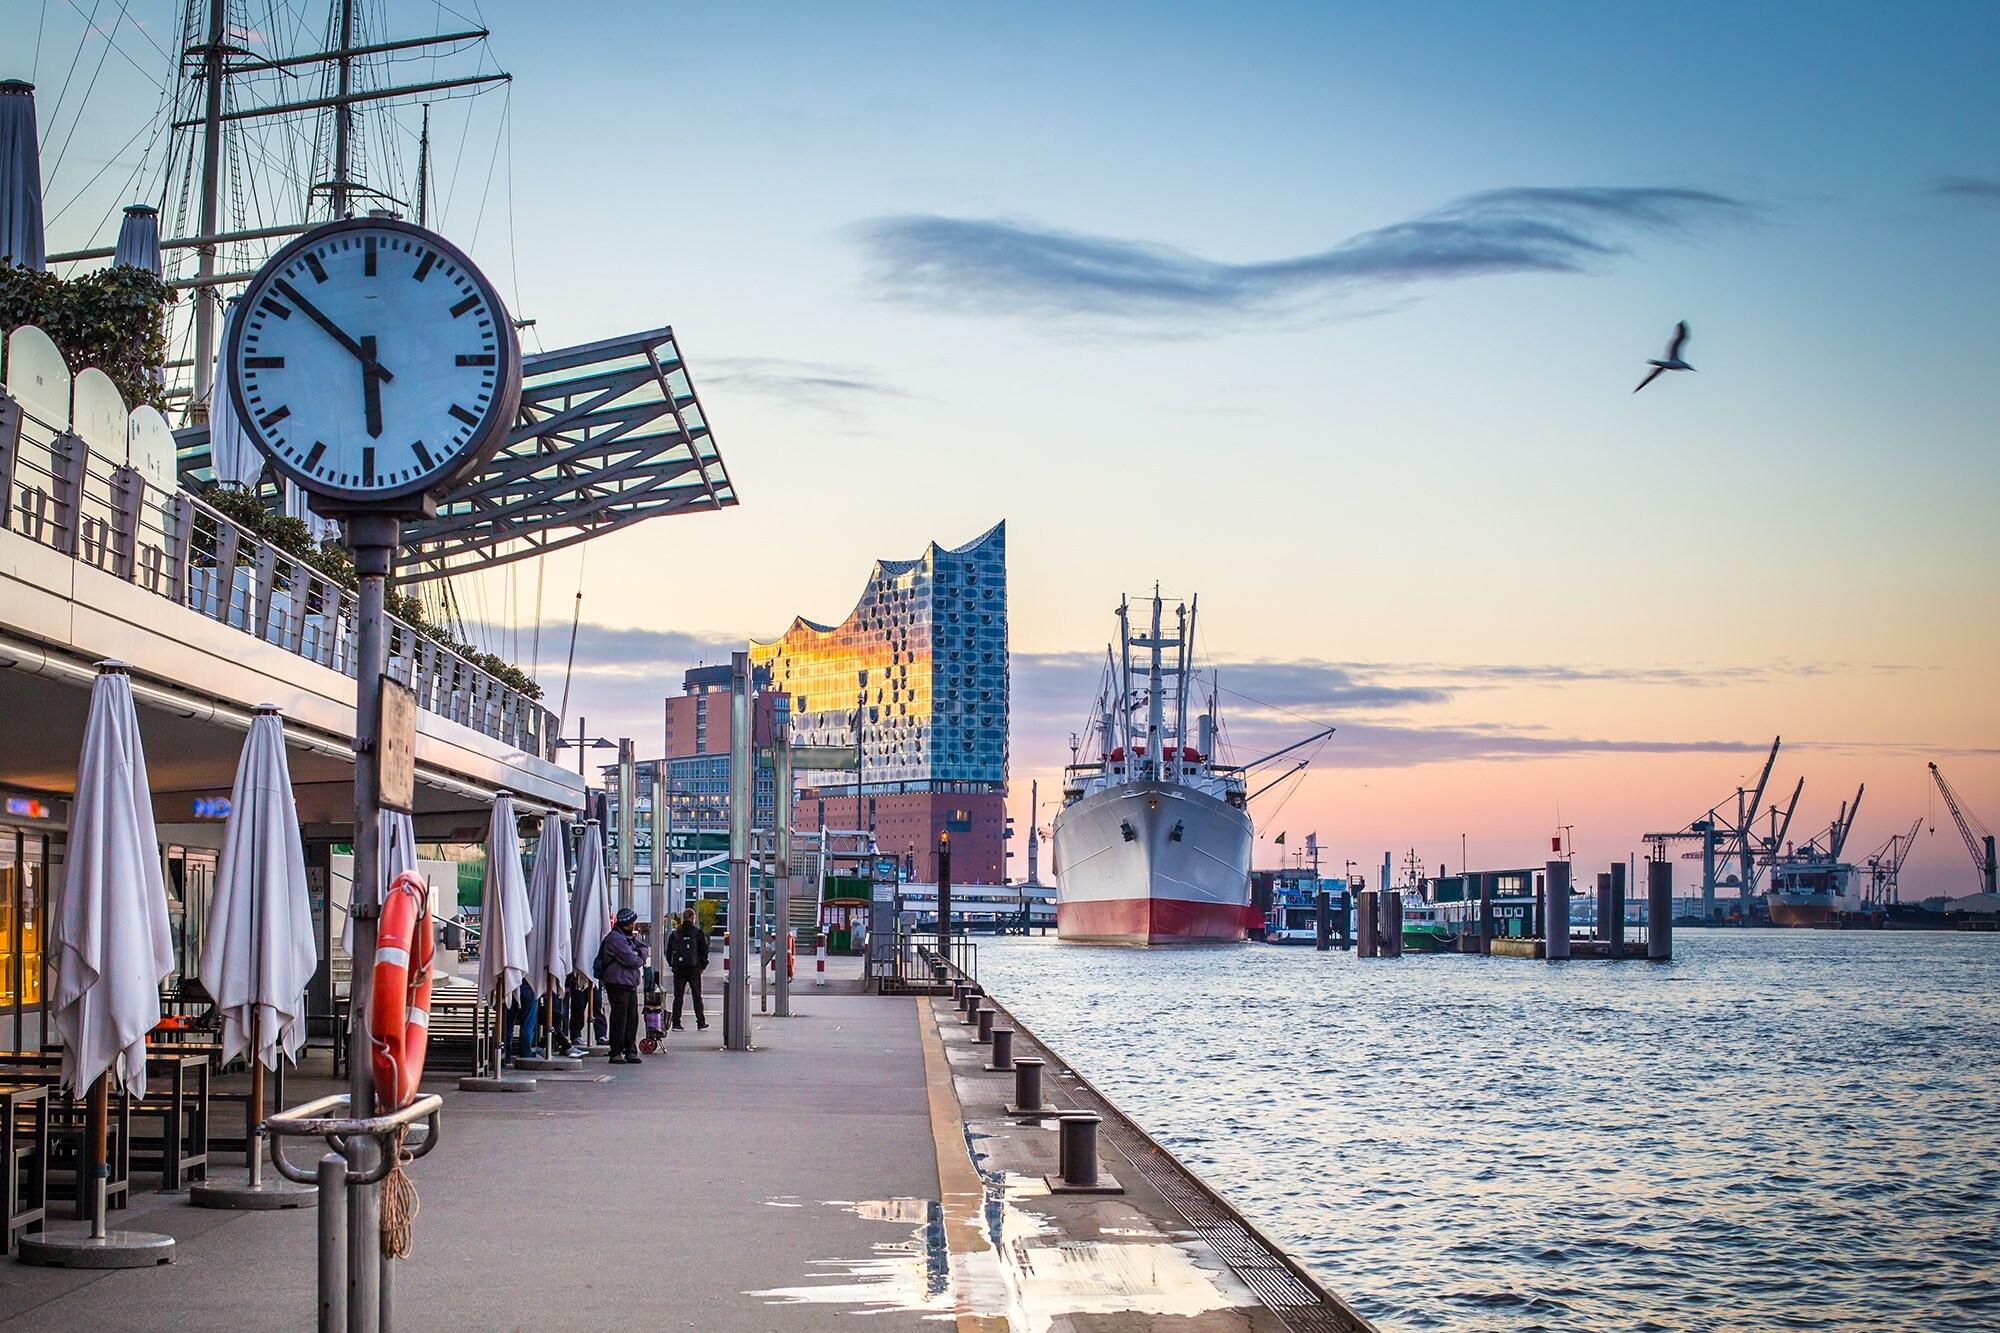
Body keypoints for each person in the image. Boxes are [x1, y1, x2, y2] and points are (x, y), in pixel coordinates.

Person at [597, 908, 649, 1063]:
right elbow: (631, 960)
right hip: (617, 983)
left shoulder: (627, 937)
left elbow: (644, 948)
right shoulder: (615, 938)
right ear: (627, 923)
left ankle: (630, 1050)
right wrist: (638, 957)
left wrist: (638, 954)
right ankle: (616, 1051)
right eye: (633, 922)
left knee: (632, 1018)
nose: (635, 924)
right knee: (620, 1019)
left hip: (630, 983)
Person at [666, 907, 710, 1031]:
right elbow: (704, 951)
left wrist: (673, 965)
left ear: (683, 918)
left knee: (678, 996)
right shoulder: (698, 933)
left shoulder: (675, 933)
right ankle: (701, 1022)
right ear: (693, 918)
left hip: (679, 969)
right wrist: (702, 966)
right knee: (697, 996)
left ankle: (676, 1023)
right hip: (694, 969)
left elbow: (668, 952)